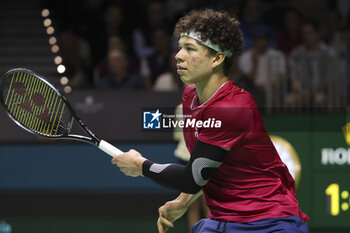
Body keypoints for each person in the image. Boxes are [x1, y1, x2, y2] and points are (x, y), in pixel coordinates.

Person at [111, 9, 309, 233]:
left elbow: (191, 178)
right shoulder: (190, 96)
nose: (178, 55)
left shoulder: (232, 108)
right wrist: (184, 201)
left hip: (268, 222)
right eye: (180, 47)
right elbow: (206, 167)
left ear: (217, 58)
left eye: (190, 49)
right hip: (225, 220)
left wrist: (140, 166)